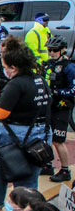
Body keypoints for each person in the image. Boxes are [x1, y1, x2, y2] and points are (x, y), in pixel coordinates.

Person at [0, 37, 52, 211]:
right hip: (39, 136)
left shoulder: (16, 84)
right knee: (28, 177)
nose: (4, 69)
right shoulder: (40, 80)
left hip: (12, 135)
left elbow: (0, 113)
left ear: (14, 67)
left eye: (6, 66)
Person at [43, 35, 74, 182]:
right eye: (49, 50)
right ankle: (48, 165)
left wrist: (58, 92)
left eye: (54, 50)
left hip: (62, 107)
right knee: (47, 136)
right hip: (50, 106)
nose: (51, 53)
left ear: (62, 50)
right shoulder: (49, 64)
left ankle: (65, 169)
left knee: (58, 140)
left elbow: (73, 89)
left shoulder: (69, 67)